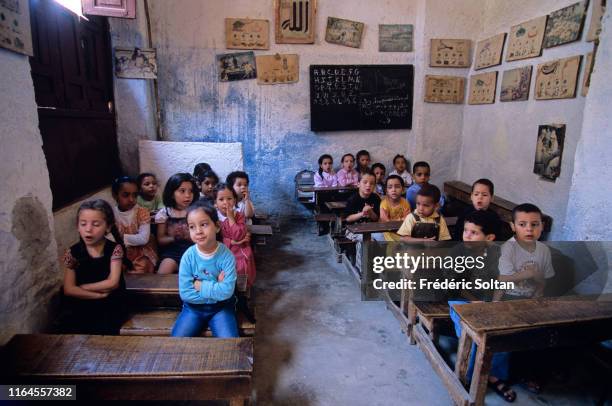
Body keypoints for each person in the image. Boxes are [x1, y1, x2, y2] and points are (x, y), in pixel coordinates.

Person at [447, 210, 515, 402]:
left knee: (502, 331)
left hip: (487, 300)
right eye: (465, 230)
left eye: (473, 232)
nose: (466, 236)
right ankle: (465, 377)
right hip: (461, 300)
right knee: (472, 334)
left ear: (490, 238)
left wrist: (494, 302)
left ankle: (494, 375)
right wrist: (476, 302)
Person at [171, 200, 238, 337]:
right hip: (192, 309)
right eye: (192, 227)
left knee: (230, 344)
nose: (198, 231)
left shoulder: (226, 256)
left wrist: (199, 285)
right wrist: (216, 287)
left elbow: (226, 292)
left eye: (204, 224)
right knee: (175, 343)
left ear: (217, 226)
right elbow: (185, 293)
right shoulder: (188, 257)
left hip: (221, 308)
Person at [61, 199, 126, 335]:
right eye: (83, 224)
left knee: (106, 326)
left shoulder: (115, 249)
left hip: (110, 303)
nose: (88, 229)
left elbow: (113, 283)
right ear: (77, 226)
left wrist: (83, 287)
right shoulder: (72, 252)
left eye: (96, 224)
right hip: (84, 302)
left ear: (108, 227)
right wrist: (97, 296)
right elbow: (68, 289)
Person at [214, 183, 257, 323]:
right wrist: (231, 242)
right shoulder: (213, 218)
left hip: (240, 251)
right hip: (221, 251)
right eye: (221, 199)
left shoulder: (238, 216)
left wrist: (231, 217)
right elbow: (215, 239)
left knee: (242, 265)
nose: (226, 203)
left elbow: (239, 234)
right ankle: (229, 299)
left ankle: (241, 296)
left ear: (235, 200)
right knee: (221, 270)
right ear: (215, 203)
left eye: (229, 199)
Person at [494, 203, 554, 300]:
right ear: (513, 226)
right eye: (522, 224)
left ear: (542, 226)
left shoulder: (544, 250)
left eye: (534, 224)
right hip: (509, 296)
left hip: (531, 297)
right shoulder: (508, 248)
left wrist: (538, 292)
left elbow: (544, 280)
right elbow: (501, 279)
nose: (529, 229)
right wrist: (529, 274)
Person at [111, 176, 157, 273]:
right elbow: (108, 239)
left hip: (141, 254)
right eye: (126, 195)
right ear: (115, 195)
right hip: (118, 253)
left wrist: (119, 239)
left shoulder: (142, 212)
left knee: (140, 269)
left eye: (135, 195)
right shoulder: (110, 214)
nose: (131, 199)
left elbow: (143, 239)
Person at [155, 173, 199, 274]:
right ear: (171, 193)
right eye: (182, 191)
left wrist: (190, 235)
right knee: (162, 274)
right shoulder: (165, 213)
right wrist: (175, 236)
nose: (187, 195)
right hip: (172, 253)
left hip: (193, 251)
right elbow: (161, 239)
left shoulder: (196, 212)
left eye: (191, 191)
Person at [379, 175, 411, 241]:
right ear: (386, 190)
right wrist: (401, 219)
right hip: (387, 230)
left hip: (401, 229)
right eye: (390, 187)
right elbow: (386, 222)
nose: (393, 190)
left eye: (397, 187)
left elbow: (407, 220)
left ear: (403, 189)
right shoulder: (384, 204)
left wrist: (400, 220)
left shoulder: (405, 203)